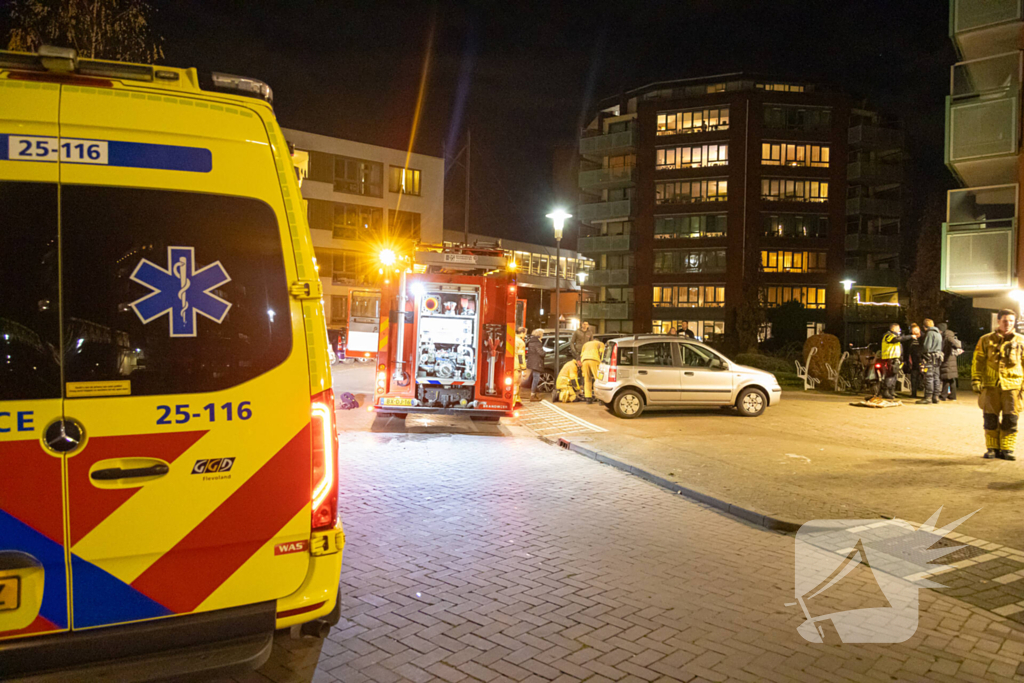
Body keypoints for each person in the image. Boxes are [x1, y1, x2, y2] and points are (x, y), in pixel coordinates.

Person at [972, 309, 1024, 460]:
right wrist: (976, 380)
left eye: (1011, 321)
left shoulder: (1021, 341)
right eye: (1005, 321)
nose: (1008, 324)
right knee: (990, 418)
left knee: (1011, 419)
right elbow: (978, 361)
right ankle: (992, 448)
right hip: (990, 385)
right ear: (998, 321)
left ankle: (1007, 449)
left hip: (1013, 386)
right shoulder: (985, 339)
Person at [878, 323, 917, 399]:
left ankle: (892, 391)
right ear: (894, 329)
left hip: (894, 359)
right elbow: (898, 339)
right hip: (890, 359)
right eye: (899, 328)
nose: (900, 330)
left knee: (894, 376)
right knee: (890, 376)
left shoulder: (894, 336)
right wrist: (910, 336)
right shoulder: (888, 336)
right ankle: (886, 392)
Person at [917, 319, 943, 405]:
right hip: (938, 357)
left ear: (925, 327)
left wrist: (922, 353)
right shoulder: (938, 333)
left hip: (930, 357)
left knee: (929, 377)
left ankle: (928, 397)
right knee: (936, 377)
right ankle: (936, 397)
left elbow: (926, 347)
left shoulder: (930, 333)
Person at [938, 322, 962, 401]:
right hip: (951, 359)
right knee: (951, 379)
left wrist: (957, 347)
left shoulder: (947, 335)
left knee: (946, 378)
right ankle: (952, 396)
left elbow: (951, 341)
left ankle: (943, 396)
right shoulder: (949, 334)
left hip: (948, 360)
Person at [579, 338, 606, 403]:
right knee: (598, 379)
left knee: (587, 379)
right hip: (594, 360)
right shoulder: (600, 343)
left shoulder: (585, 344)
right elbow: (602, 354)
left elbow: (581, 355)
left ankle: (588, 398)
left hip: (584, 361)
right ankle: (600, 398)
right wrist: (602, 363)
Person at [525, 328, 546, 401]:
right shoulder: (537, 342)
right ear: (540, 335)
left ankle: (533, 394)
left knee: (534, 377)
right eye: (542, 334)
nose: (543, 335)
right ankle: (532, 395)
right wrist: (544, 353)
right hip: (536, 362)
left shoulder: (531, 341)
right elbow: (540, 352)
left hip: (532, 361)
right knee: (536, 378)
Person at [904, 324, 923, 398]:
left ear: (919, 330)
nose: (914, 333)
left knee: (923, 377)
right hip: (913, 361)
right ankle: (913, 393)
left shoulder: (923, 337)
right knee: (913, 377)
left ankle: (924, 391)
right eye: (913, 332)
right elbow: (906, 349)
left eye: (916, 331)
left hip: (922, 360)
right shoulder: (910, 338)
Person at [513, 326, 527, 406]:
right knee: (516, 383)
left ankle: (516, 400)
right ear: (522, 333)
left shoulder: (510, 338)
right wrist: (523, 368)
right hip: (516, 365)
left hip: (509, 365)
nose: (525, 335)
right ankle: (514, 402)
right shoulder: (520, 342)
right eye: (525, 333)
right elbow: (521, 356)